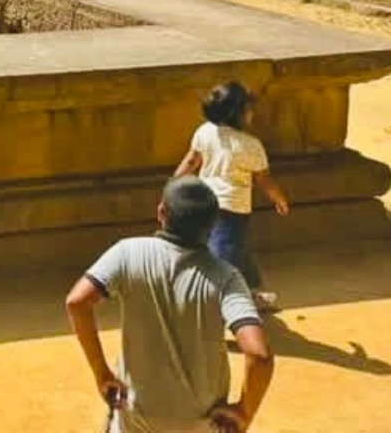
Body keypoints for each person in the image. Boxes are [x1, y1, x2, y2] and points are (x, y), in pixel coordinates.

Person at [66, 177, 274, 432]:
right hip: (200, 422)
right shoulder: (226, 277)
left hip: (136, 415)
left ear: (162, 212)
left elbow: (77, 302)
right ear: (213, 223)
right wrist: (244, 411)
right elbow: (259, 356)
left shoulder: (127, 252)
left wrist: (102, 374)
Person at [174, 80, 289, 313]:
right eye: (249, 108)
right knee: (223, 259)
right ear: (238, 113)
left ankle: (252, 292)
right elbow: (263, 180)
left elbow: (191, 161)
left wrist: (173, 187)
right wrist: (279, 198)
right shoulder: (251, 145)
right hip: (232, 211)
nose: (252, 113)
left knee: (239, 249)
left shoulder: (204, 132)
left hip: (203, 204)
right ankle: (220, 311)